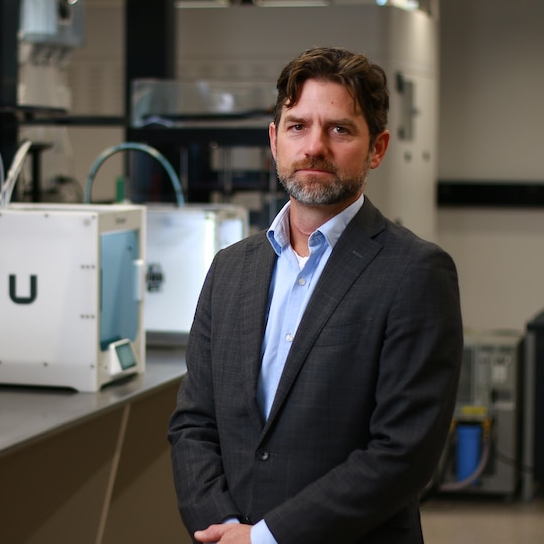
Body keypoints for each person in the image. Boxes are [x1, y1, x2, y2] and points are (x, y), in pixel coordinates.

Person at [167, 46, 463, 544]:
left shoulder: (415, 272)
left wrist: (266, 539)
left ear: (378, 148)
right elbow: (194, 424)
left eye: (340, 129)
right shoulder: (230, 269)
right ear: (275, 141)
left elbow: (403, 454)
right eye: (297, 126)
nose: (314, 146)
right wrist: (224, 530)